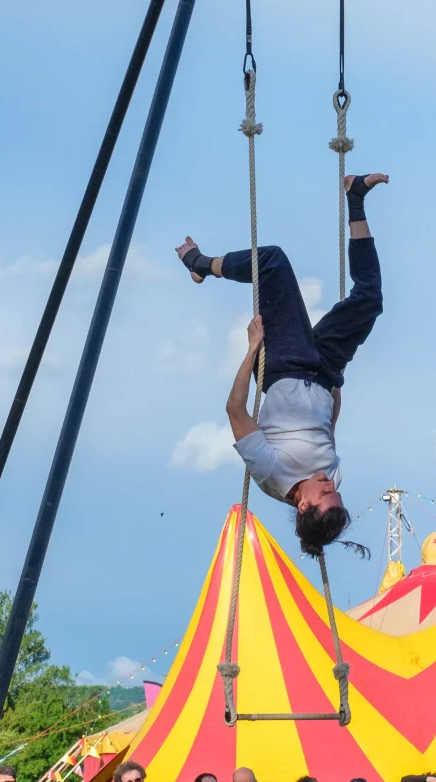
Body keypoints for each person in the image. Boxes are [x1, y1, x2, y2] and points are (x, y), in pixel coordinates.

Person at [182, 173, 390, 556]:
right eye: (337, 492)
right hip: (325, 368)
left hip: (286, 363)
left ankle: (199, 264)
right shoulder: (332, 476)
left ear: (303, 504)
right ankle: (355, 196)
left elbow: (235, 410)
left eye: (326, 493)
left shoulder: (271, 474)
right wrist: (334, 382)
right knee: (370, 300)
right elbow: (329, 427)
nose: (331, 484)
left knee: (273, 261)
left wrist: (252, 349)